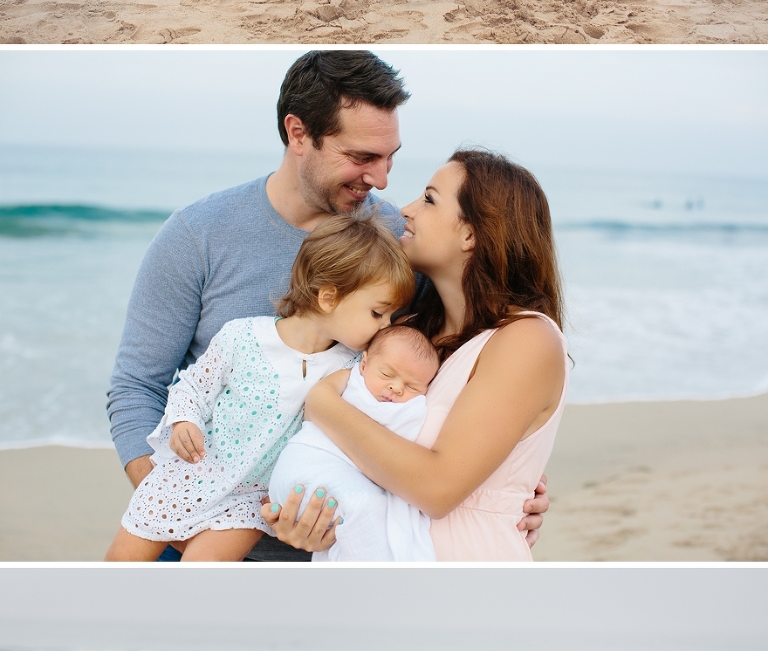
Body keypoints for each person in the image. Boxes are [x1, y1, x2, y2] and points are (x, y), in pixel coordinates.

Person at [107, 51, 549, 560]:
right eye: (362, 158)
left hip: (336, 552)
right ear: (298, 134)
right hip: (185, 535)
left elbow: (442, 386)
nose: (382, 180)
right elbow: (136, 385)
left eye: (390, 158)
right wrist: (184, 517)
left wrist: (503, 487)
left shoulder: (396, 245)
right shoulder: (197, 235)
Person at [265, 150, 567, 563]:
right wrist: (309, 512)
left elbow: (438, 488)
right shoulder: (409, 334)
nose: (406, 210)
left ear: (471, 234)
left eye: (428, 199)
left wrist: (320, 403)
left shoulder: (527, 339)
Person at [104, 216, 414, 561]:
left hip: (251, 502)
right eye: (378, 313)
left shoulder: (351, 368)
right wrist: (183, 421)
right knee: (120, 564)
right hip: (191, 472)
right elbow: (192, 385)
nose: (385, 328)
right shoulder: (243, 336)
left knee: (197, 575)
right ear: (328, 297)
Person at [269, 323, 439, 562]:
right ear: (365, 363)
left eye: (412, 386)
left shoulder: (410, 409)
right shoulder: (350, 382)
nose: (397, 388)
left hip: (331, 480)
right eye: (387, 374)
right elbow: (315, 402)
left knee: (365, 515)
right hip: (310, 461)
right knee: (366, 508)